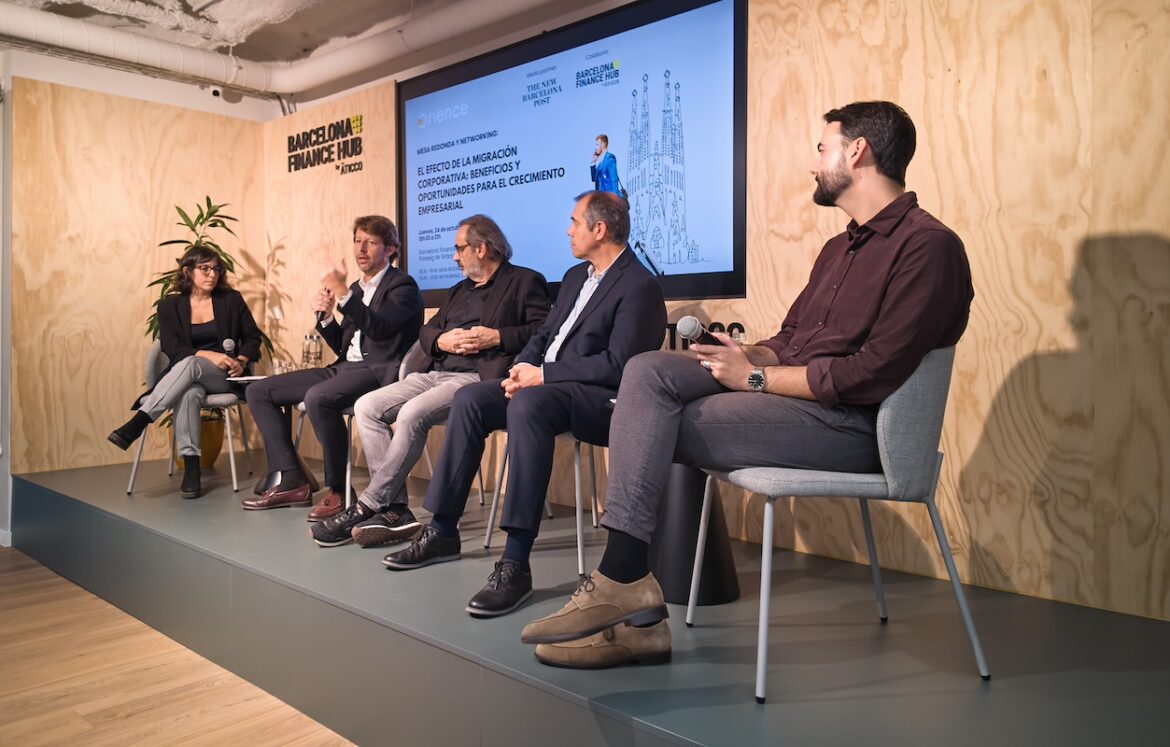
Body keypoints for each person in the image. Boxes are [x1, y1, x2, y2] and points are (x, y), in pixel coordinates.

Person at [520, 101, 976, 668]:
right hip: (797, 405)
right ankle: (628, 585)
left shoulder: (928, 247)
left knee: (662, 420)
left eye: (822, 148)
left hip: (852, 430)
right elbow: (792, 340)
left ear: (857, 151)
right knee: (647, 370)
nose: (815, 163)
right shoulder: (839, 249)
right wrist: (747, 353)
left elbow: (868, 374)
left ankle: (631, 602)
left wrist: (755, 377)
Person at [383, 191, 668, 620]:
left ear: (599, 229)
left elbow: (619, 366)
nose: (568, 229)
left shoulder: (639, 285)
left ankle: (515, 562)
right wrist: (522, 367)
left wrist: (545, 377)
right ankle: (442, 529)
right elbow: (544, 334)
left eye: (574, 222)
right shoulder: (575, 277)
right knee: (473, 398)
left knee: (529, 407)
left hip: (600, 401)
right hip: (543, 385)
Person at [310, 215, 551, 547]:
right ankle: (395, 510)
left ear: (481, 248)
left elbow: (543, 331)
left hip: (476, 378)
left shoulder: (524, 281)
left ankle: (369, 504)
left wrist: (498, 336)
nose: (454, 256)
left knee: (411, 414)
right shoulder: (459, 290)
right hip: (434, 372)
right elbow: (427, 331)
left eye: (458, 248)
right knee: (368, 406)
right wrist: (442, 342)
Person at [242, 215, 423, 515]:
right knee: (259, 391)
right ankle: (291, 479)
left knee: (318, 397)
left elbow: (378, 329)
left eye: (371, 242)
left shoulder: (403, 287)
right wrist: (326, 318)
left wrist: (342, 293)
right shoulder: (354, 287)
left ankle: (338, 491)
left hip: (377, 372)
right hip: (343, 367)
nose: (361, 249)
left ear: (391, 249)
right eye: (357, 241)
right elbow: (344, 345)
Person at [109, 245, 263, 500]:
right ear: (187, 271)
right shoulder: (170, 306)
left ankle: (139, 422)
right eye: (205, 268)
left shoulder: (230, 300)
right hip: (189, 375)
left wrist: (242, 359)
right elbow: (172, 347)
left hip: (224, 378)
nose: (212, 274)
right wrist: (209, 354)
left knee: (190, 365)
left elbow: (252, 338)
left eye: (216, 269)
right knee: (189, 392)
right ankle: (192, 467)